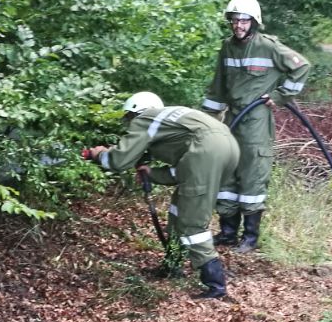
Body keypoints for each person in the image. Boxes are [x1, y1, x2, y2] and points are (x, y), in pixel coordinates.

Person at [84, 92, 240, 300]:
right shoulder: (172, 119)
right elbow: (185, 171)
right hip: (229, 146)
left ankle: (215, 284)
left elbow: (118, 161)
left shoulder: (145, 119)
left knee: (192, 222)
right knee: (179, 208)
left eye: (129, 117)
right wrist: (152, 173)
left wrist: (100, 154)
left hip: (206, 151)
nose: (129, 122)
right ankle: (172, 264)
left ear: (136, 111)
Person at [202, 0, 311, 252]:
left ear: (254, 21)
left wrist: (280, 96)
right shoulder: (227, 47)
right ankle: (228, 232)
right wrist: (206, 122)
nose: (238, 26)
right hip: (231, 119)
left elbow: (302, 66)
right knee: (227, 174)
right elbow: (218, 86)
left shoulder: (268, 47)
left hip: (256, 121)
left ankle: (250, 237)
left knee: (252, 174)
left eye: (244, 21)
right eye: (234, 21)